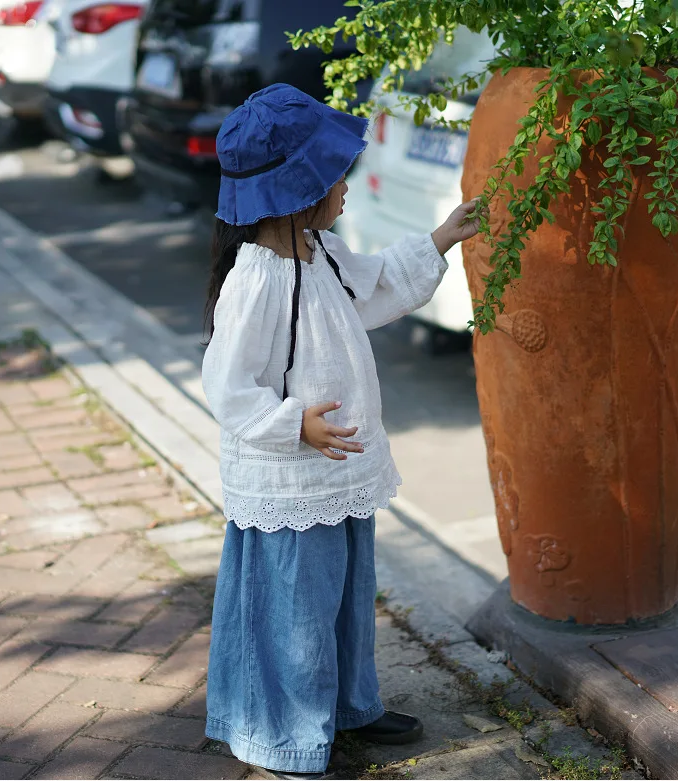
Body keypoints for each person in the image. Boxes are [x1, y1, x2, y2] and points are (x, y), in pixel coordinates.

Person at [201, 83, 481, 780]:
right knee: (294, 613)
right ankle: (289, 734)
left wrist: (442, 236)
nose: (346, 189)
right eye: (335, 178)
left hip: (335, 474)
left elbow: (378, 282)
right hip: (290, 481)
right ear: (298, 191)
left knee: (345, 598)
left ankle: (348, 704)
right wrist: (292, 423)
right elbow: (227, 385)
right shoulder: (256, 279)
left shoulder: (319, 253)